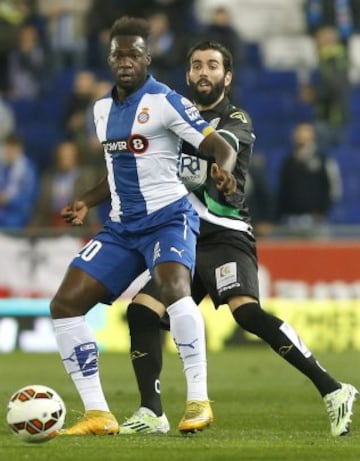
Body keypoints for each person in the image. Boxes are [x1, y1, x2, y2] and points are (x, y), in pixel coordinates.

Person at [119, 40, 358, 436]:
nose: (203, 72)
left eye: (212, 66)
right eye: (196, 65)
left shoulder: (236, 117)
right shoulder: (173, 116)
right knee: (142, 310)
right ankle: (151, 412)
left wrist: (212, 166)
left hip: (224, 233)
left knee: (246, 313)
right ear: (188, 75)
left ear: (226, 77)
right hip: (184, 237)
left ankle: (334, 390)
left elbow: (224, 147)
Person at [49, 17, 237, 436]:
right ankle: (98, 413)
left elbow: (218, 146)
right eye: (119, 54)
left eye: (134, 53)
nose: (126, 61)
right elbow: (116, 174)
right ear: (110, 58)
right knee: (64, 305)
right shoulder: (100, 110)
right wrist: (85, 200)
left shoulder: (167, 101)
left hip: (169, 218)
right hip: (121, 228)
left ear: (147, 58)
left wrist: (222, 171)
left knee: (174, 291)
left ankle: (198, 401)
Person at [276, 122, 342, 230]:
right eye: (298, 131)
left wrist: (322, 211)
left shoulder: (324, 161)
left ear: (313, 135)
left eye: (305, 131)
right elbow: (282, 191)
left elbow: (334, 190)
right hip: (290, 221)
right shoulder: (288, 162)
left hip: (315, 221)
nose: (300, 135)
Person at [0, 133, 38, 229]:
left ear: (20, 149)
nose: (9, 152)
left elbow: (29, 200)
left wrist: (9, 200)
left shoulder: (28, 170)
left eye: (13, 148)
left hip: (19, 218)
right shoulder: (2, 167)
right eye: (7, 148)